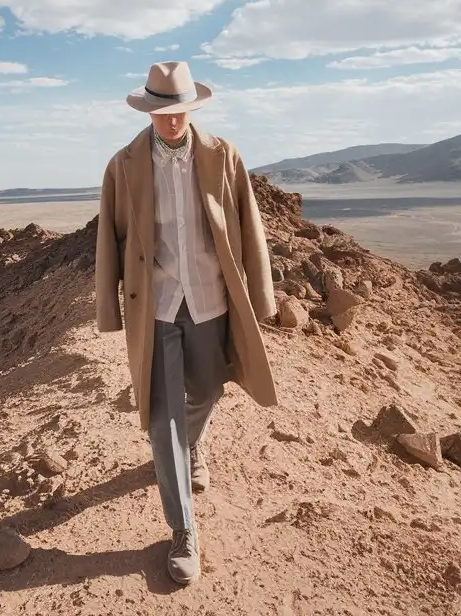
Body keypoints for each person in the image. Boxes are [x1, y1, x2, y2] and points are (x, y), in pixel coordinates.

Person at [94, 60, 279, 586]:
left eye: (179, 111)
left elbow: (249, 226)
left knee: (207, 388)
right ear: (149, 110)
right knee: (163, 417)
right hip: (156, 307)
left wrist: (261, 297)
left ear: (191, 109)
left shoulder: (223, 156)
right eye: (162, 112)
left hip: (210, 300)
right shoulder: (123, 165)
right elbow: (110, 237)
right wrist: (108, 307)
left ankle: (190, 443)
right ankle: (183, 532)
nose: (172, 121)